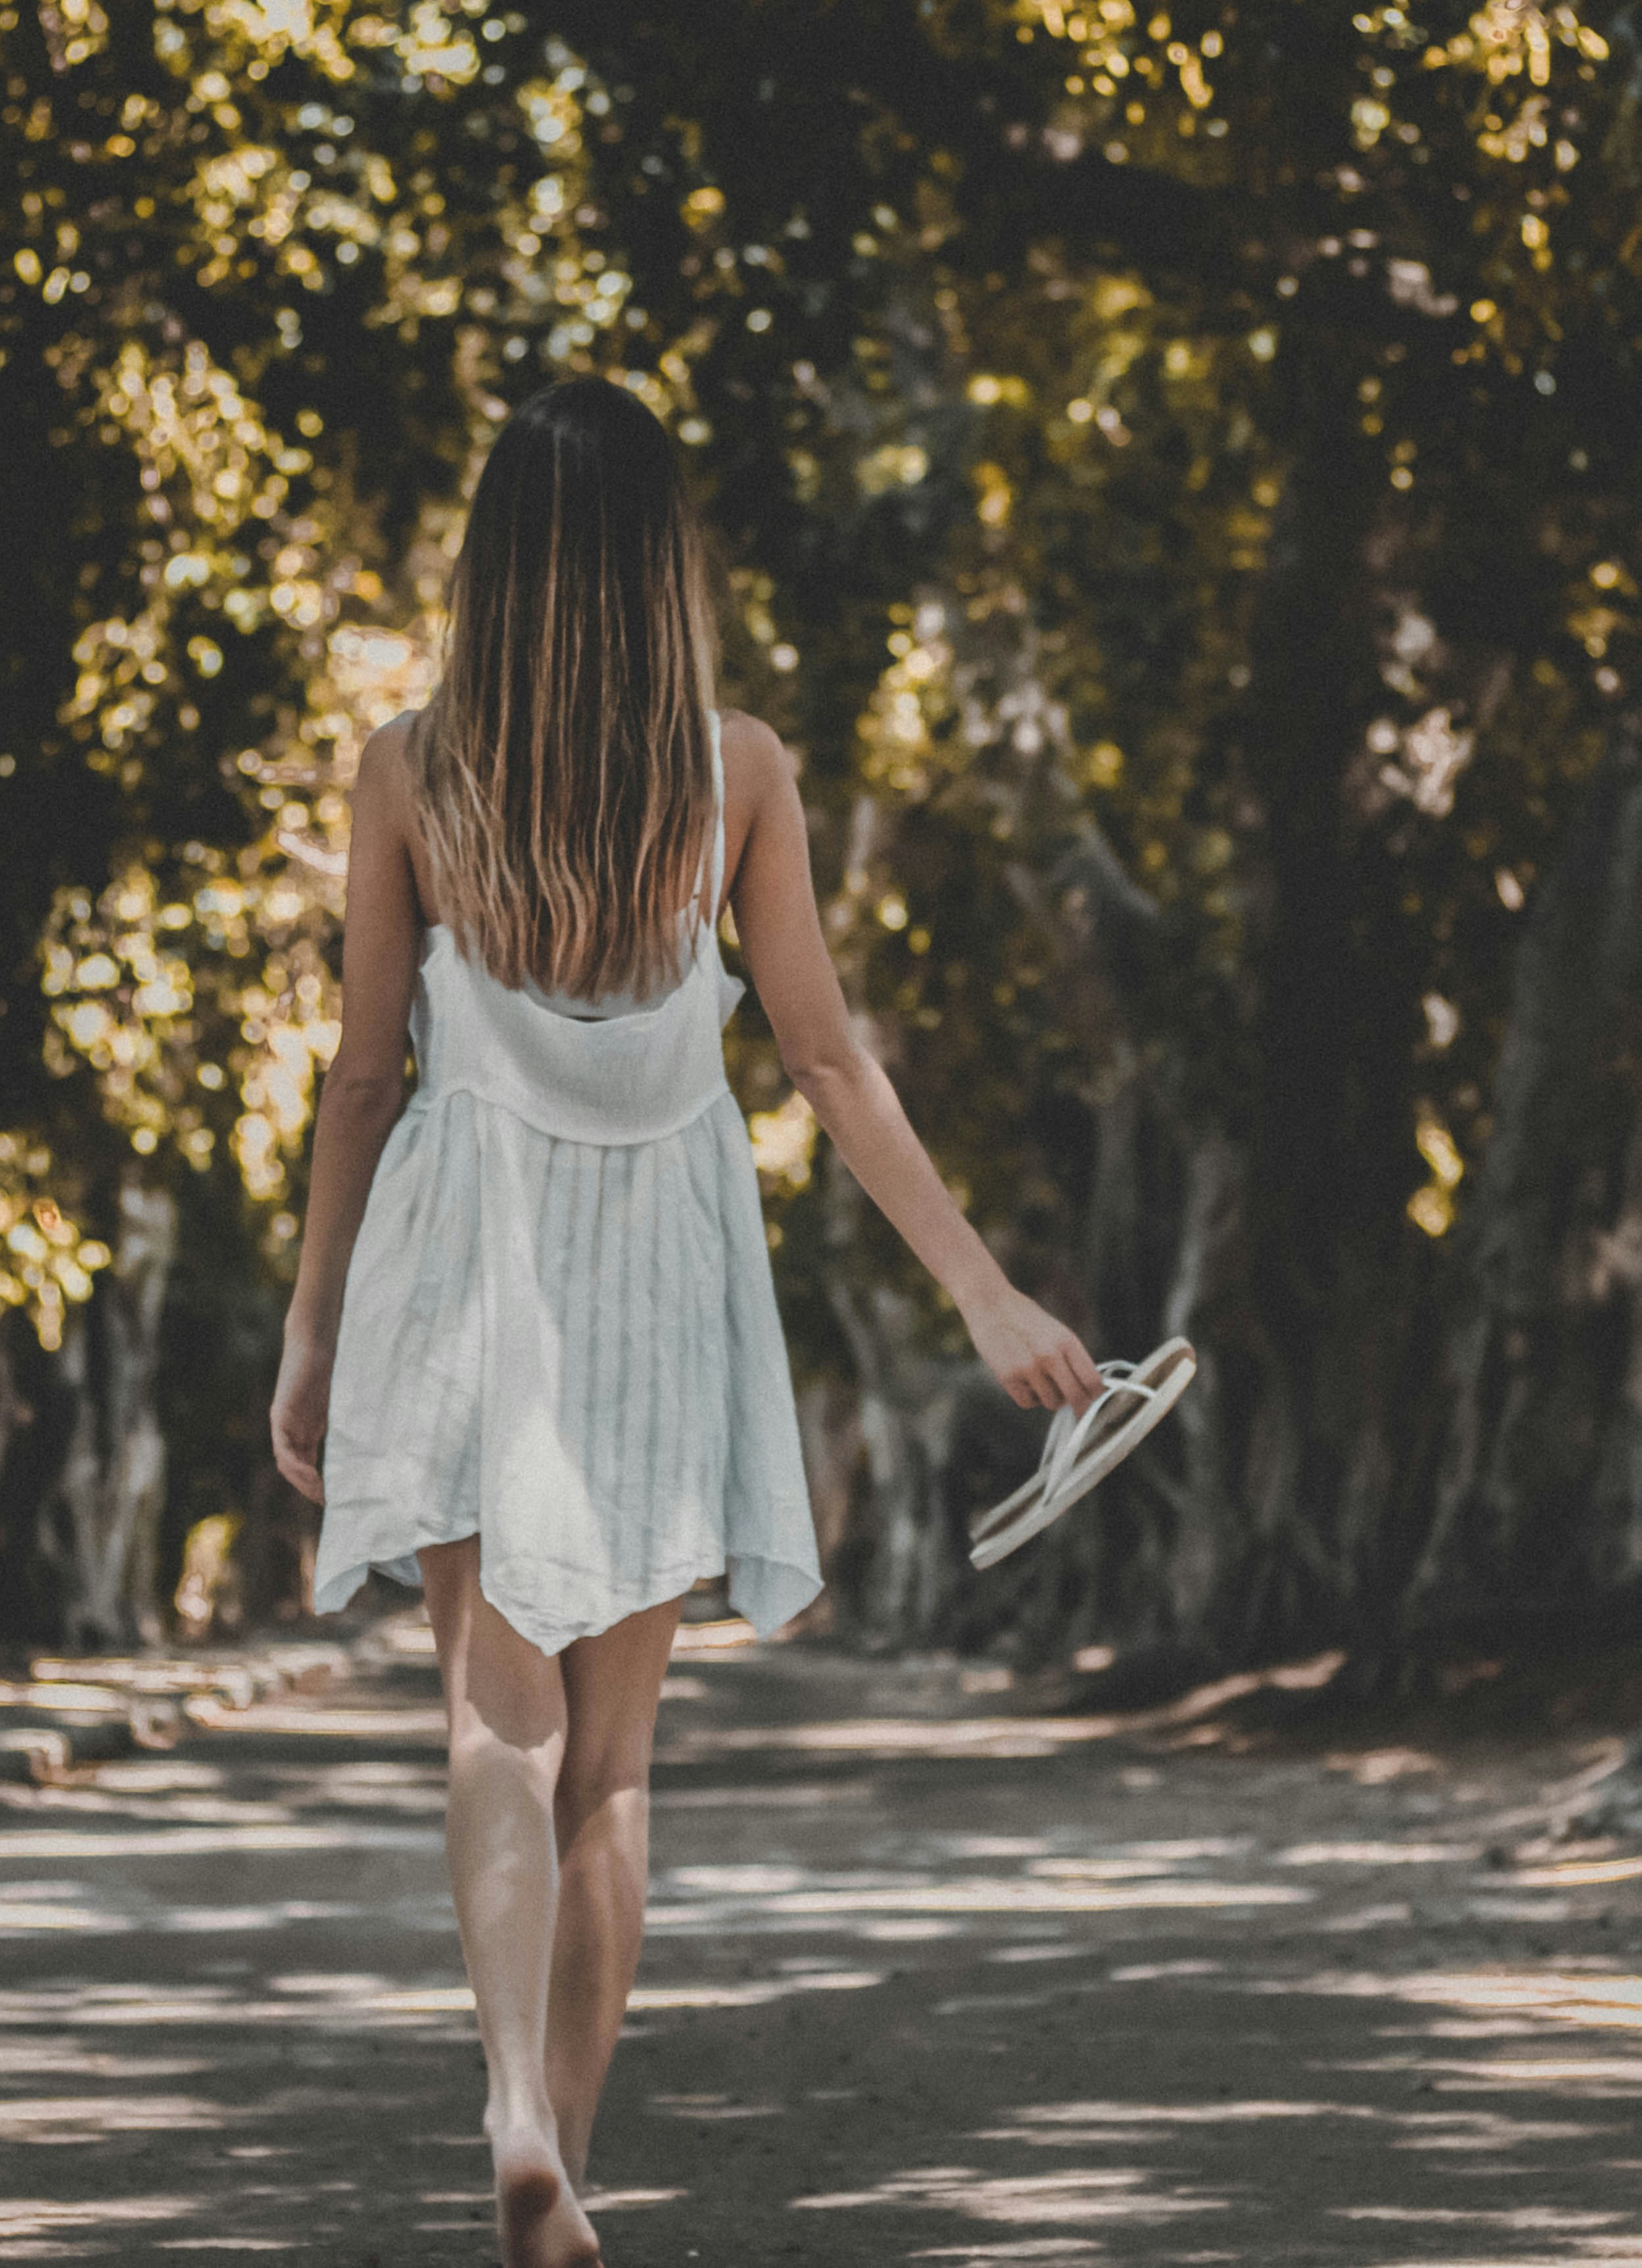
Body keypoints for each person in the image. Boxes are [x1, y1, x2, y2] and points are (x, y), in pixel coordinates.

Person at [267, 378, 1101, 2267]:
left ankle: (508, 2109)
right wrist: (984, 1294)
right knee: (614, 1766)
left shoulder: (409, 771)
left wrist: (315, 1327)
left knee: (495, 1725)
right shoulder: (734, 775)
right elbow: (827, 1061)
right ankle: (564, 2154)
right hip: (656, 1273)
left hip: (462, 1257)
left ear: (492, 562)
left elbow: (362, 1077)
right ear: (663, 564)